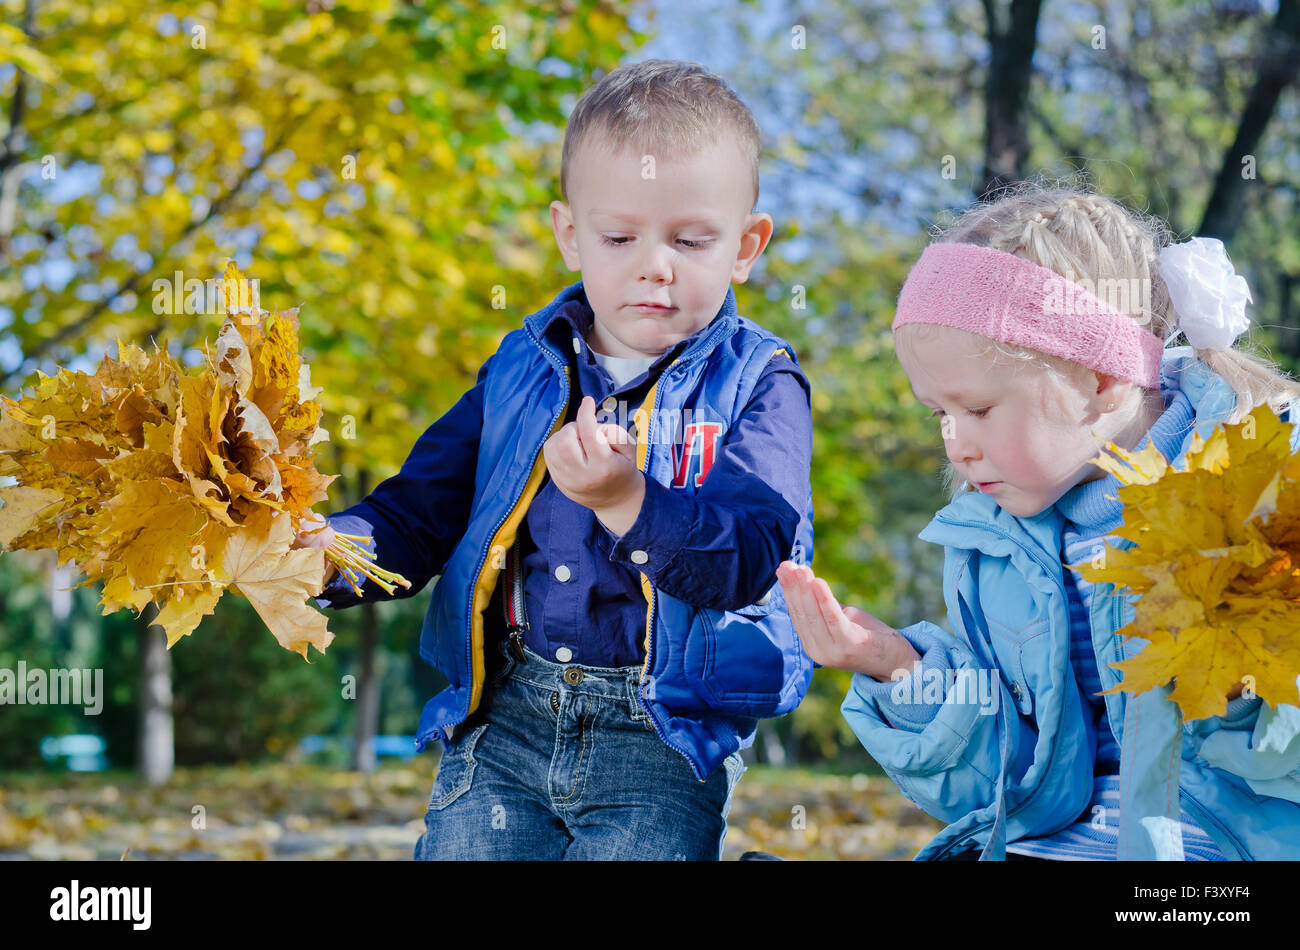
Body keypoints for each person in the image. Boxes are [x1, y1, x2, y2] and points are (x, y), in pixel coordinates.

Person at [295, 59, 815, 860]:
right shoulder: (523, 367)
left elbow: (752, 554)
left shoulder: (760, 382)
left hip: (661, 736)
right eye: (619, 236)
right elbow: (421, 509)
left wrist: (626, 500)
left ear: (746, 246)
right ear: (570, 234)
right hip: (505, 713)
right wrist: (327, 553)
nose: (655, 264)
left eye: (692, 239)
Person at [777, 181, 1300, 860]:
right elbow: (1008, 782)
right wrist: (897, 667)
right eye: (938, 412)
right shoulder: (994, 543)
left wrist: (1242, 689)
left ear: (1100, 379)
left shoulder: (1265, 486)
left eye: (978, 409)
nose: (953, 442)